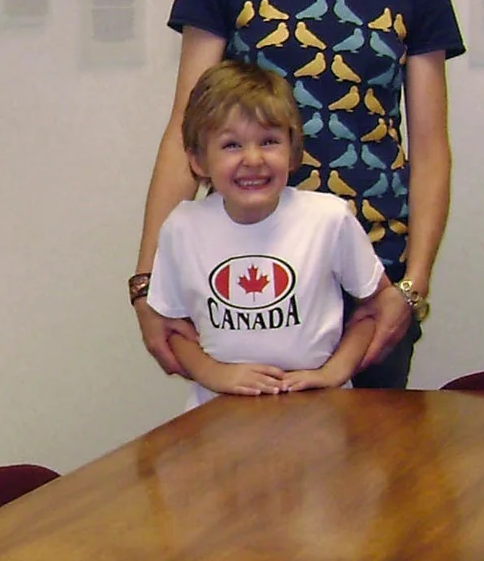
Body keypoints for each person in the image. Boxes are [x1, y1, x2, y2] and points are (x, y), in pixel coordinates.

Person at [137, 0, 461, 390]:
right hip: (247, 277)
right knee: (245, 475)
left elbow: (429, 147)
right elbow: (186, 129)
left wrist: (412, 288)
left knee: (371, 476)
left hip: (372, 279)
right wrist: (148, 282)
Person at [145, 62, 383, 400]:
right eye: (232, 145)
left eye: (269, 141)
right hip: (219, 411)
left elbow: (373, 309)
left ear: (293, 150)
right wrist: (215, 373)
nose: (253, 159)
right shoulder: (182, 228)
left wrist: (335, 371)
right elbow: (174, 329)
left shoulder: (329, 218)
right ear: (198, 161)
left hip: (319, 409)